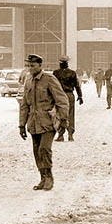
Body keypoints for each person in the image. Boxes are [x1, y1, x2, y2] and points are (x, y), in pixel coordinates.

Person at [18, 53, 70, 191]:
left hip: (48, 122)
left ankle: (49, 177)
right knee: (36, 151)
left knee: (44, 149)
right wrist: (21, 125)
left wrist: (64, 120)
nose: (30, 68)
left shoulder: (49, 79)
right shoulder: (28, 80)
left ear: (40, 65)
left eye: (33, 65)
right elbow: (24, 104)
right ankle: (42, 177)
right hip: (33, 123)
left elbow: (62, 100)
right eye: (28, 65)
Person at [52, 55, 83, 142]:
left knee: (60, 115)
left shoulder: (56, 73)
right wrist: (80, 96)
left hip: (59, 95)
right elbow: (77, 86)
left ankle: (61, 134)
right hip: (70, 95)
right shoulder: (72, 73)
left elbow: (52, 86)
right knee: (70, 114)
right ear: (67, 63)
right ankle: (70, 134)